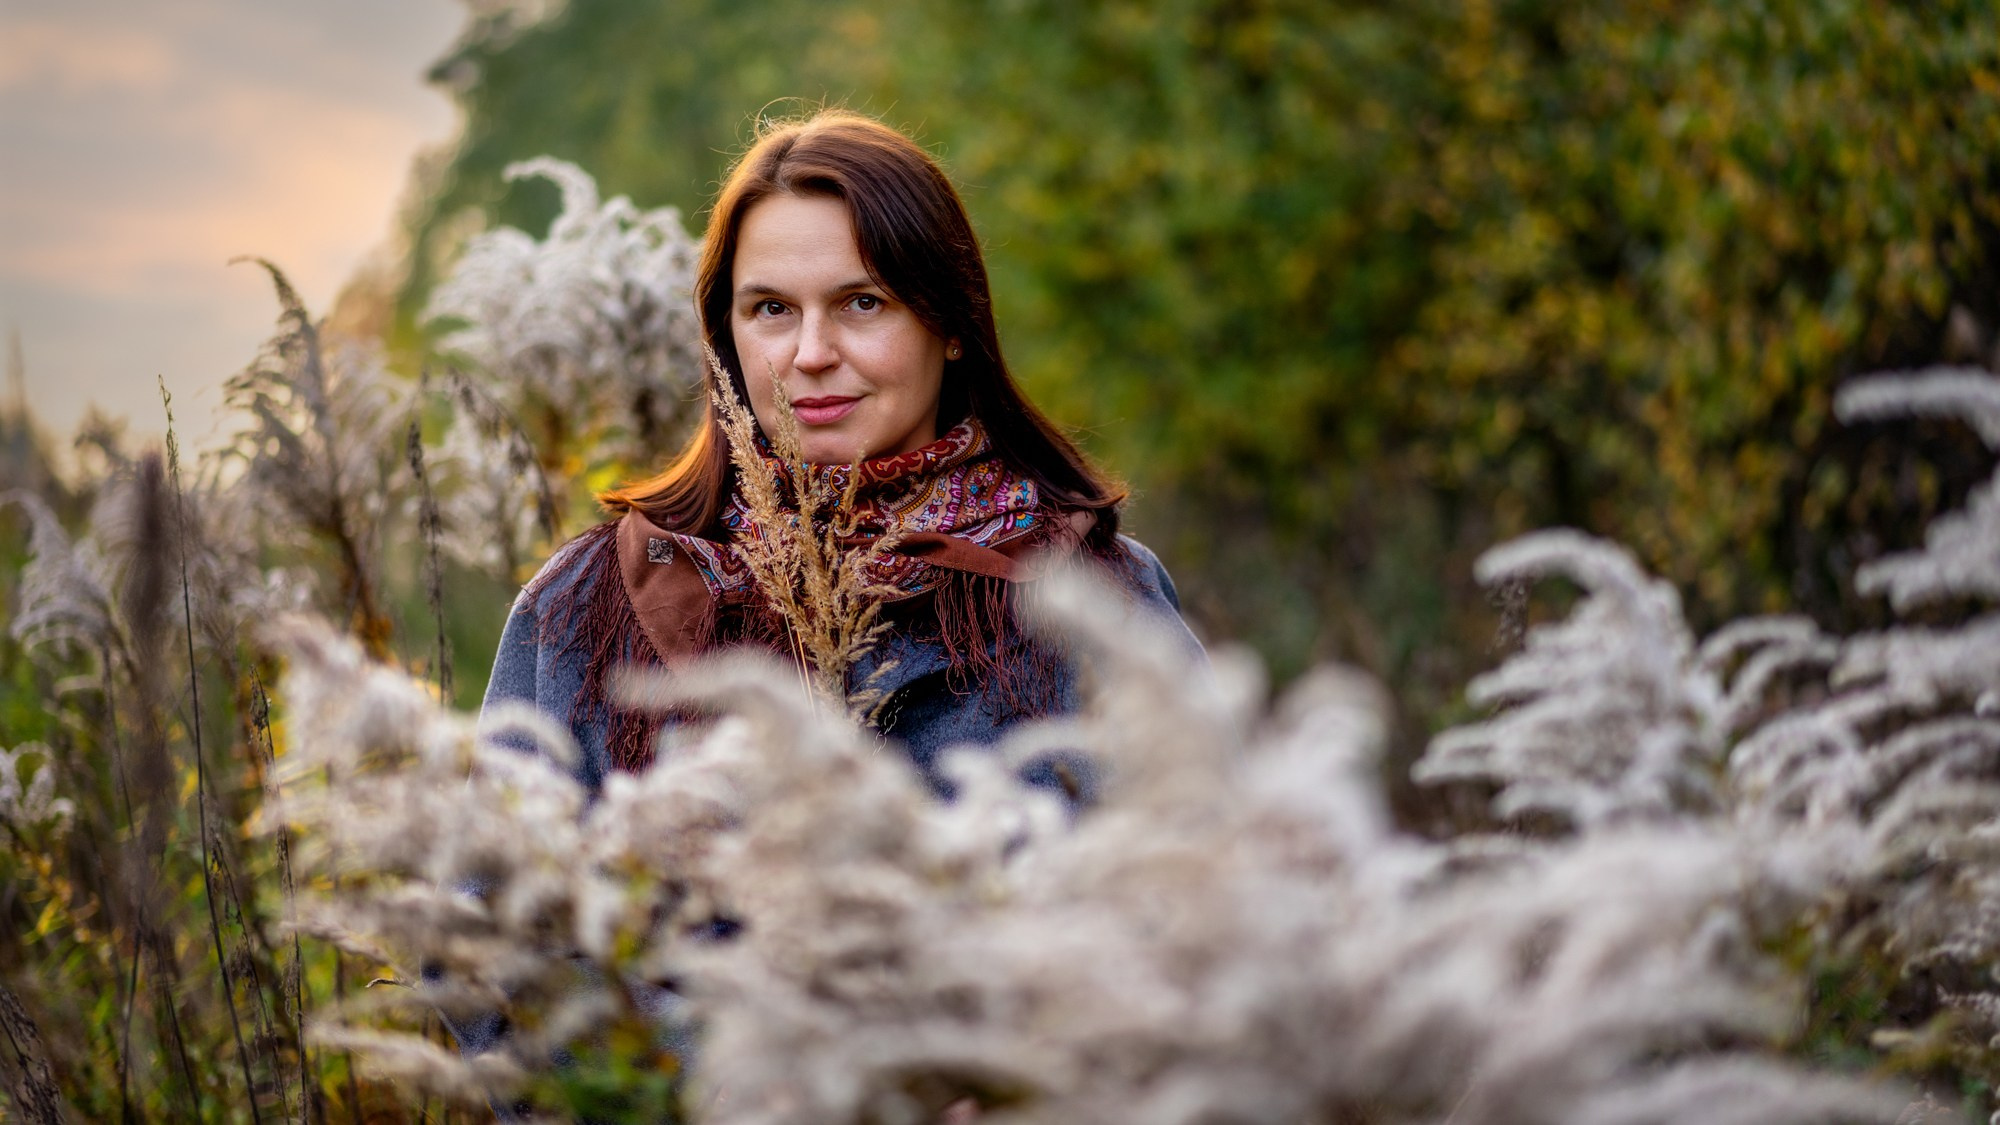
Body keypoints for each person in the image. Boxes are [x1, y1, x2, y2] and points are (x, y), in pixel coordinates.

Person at [483, 107, 1199, 803]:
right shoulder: (586, 606)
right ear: (724, 335)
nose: (812, 354)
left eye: (862, 302)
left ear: (952, 322)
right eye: (772, 309)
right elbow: (490, 902)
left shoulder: (1097, 602)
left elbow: (1214, 886)